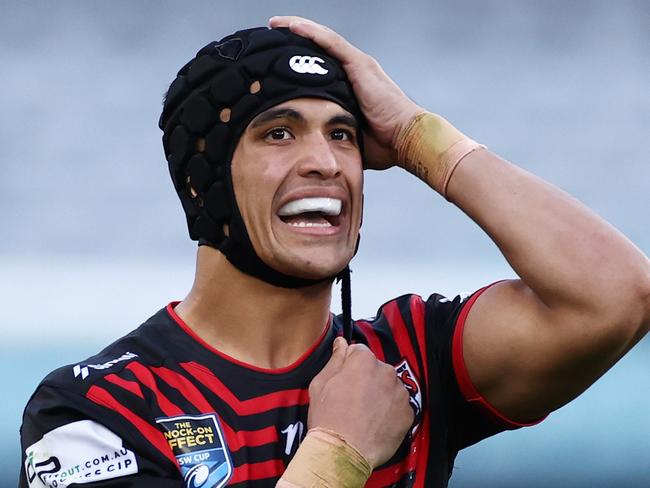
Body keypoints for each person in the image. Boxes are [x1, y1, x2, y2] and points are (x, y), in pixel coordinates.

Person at [20, 16, 649, 488]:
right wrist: (339, 453)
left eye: (342, 135)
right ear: (201, 183)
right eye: (279, 133)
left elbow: (618, 295)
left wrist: (414, 134)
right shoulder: (97, 411)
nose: (324, 162)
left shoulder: (409, 359)